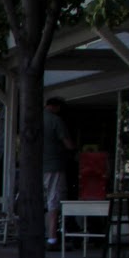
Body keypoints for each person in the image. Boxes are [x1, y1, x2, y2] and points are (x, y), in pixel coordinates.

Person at [43, 97, 74, 249]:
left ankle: (42, 233)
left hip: (36, 167)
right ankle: (52, 237)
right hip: (54, 165)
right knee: (54, 200)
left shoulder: (34, 119)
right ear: (57, 107)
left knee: (42, 200)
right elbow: (68, 144)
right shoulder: (55, 121)